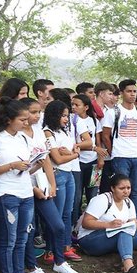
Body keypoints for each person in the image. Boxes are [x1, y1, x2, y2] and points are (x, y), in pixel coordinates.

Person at [0, 98, 47, 273]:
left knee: (22, 238)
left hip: (25, 192)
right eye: (22, 119)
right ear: (8, 119)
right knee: (8, 240)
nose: (26, 123)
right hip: (6, 194)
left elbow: (26, 167)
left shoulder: (22, 138)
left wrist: (36, 163)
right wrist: (12, 165)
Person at [20, 98, 79, 273]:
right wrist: (33, 188)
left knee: (58, 225)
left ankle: (59, 262)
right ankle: (31, 267)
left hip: (42, 184)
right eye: (32, 112)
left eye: (39, 112)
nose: (37, 116)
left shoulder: (38, 132)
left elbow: (45, 160)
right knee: (28, 230)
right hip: (24, 188)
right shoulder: (16, 135)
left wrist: (52, 185)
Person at [100, 79, 137, 225]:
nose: (133, 94)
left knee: (134, 190)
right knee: (121, 190)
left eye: (134, 91)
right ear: (122, 93)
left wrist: (134, 143)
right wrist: (114, 151)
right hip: (120, 157)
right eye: (129, 91)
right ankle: (121, 220)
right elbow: (105, 135)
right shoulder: (113, 112)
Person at [44, 99, 88, 262]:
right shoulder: (48, 132)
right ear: (53, 115)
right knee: (57, 215)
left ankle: (65, 247)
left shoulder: (63, 132)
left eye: (67, 116)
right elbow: (57, 158)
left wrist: (70, 153)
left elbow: (69, 152)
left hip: (68, 174)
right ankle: (51, 250)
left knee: (67, 213)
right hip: (58, 174)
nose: (66, 119)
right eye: (63, 115)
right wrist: (75, 154)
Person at [71, 94, 105, 235]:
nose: (73, 107)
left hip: (92, 163)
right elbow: (74, 145)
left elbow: (97, 141)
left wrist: (100, 158)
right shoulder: (72, 121)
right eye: (72, 104)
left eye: (77, 105)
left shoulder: (93, 121)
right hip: (77, 162)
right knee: (77, 196)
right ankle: (74, 226)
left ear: (86, 107)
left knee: (92, 194)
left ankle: (92, 224)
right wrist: (92, 147)